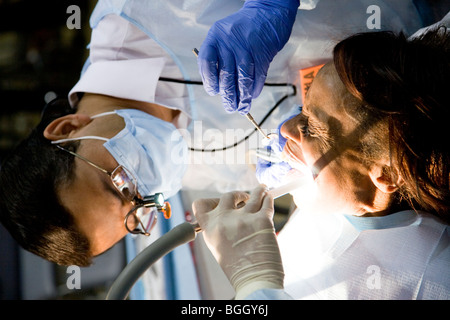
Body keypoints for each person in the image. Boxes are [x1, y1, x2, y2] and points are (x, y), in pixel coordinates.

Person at [0, 0, 437, 269]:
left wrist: (270, 5)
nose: (148, 192)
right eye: (138, 213)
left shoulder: (137, 14)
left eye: (118, 183)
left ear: (67, 128)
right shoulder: (178, 168)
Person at [193, 26, 450, 299]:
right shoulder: (345, 201)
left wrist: (254, 283)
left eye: (311, 126)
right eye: (302, 111)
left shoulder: (432, 282)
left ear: (387, 173)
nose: (285, 129)